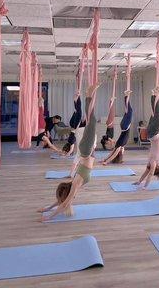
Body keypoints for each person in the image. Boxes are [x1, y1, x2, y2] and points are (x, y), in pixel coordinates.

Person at [38, 84, 99, 220]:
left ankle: (89, 94)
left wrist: (49, 215)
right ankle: (89, 94)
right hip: (87, 151)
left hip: (86, 150)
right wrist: (47, 209)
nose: (69, 199)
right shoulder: (74, 184)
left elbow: (64, 204)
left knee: (91, 120)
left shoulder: (75, 185)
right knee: (90, 120)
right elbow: (63, 202)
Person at [133, 86, 159, 188]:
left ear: (157, 168)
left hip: (154, 133)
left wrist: (145, 186)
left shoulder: (154, 163)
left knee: (158, 114)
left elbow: (150, 173)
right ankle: (153, 94)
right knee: (154, 113)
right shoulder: (152, 162)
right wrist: (139, 181)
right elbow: (146, 172)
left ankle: (155, 93)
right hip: (150, 134)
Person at [100, 90, 133, 165]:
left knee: (129, 110)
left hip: (125, 127)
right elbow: (111, 154)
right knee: (127, 111)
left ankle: (126, 95)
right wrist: (105, 159)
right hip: (123, 126)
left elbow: (113, 154)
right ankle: (126, 96)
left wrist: (106, 161)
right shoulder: (118, 146)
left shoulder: (119, 147)